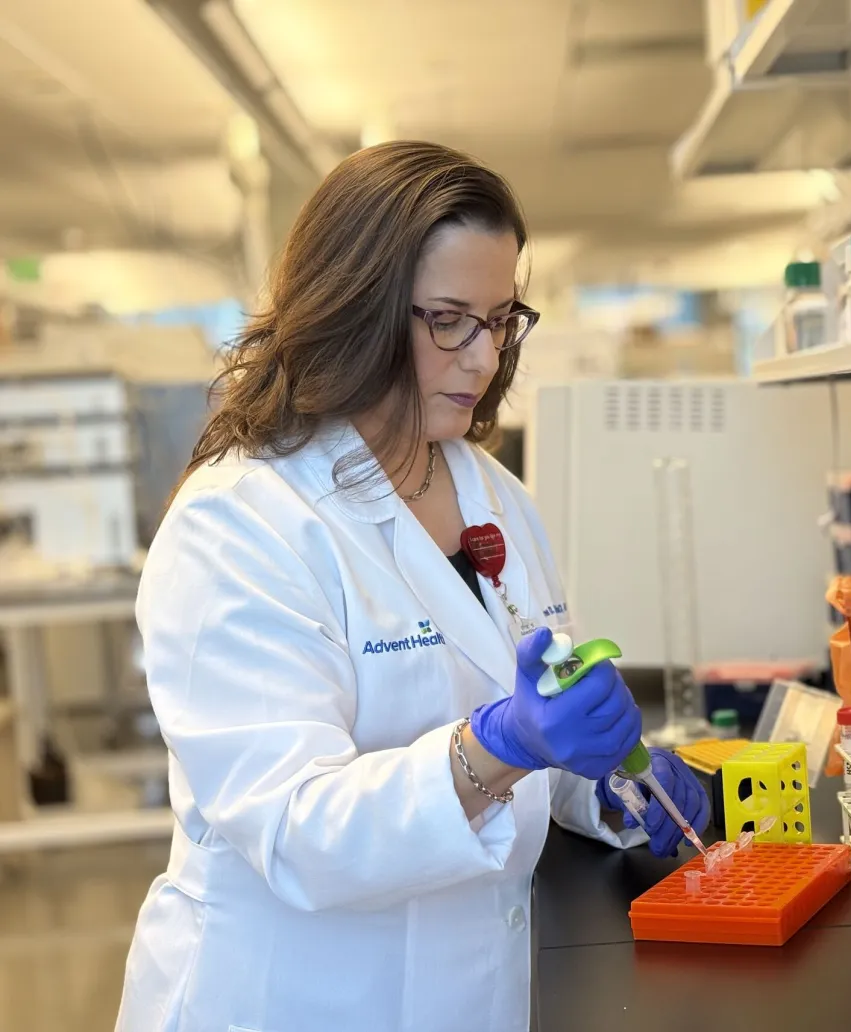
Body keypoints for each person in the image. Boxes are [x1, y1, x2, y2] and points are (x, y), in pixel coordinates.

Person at [115, 141, 709, 1032]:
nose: (482, 357)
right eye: (449, 321)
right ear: (353, 309)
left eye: (502, 319)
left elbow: (532, 732)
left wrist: (612, 785)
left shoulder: (494, 494)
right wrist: (500, 743)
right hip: (293, 1000)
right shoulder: (240, 523)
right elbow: (296, 831)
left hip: (470, 993)